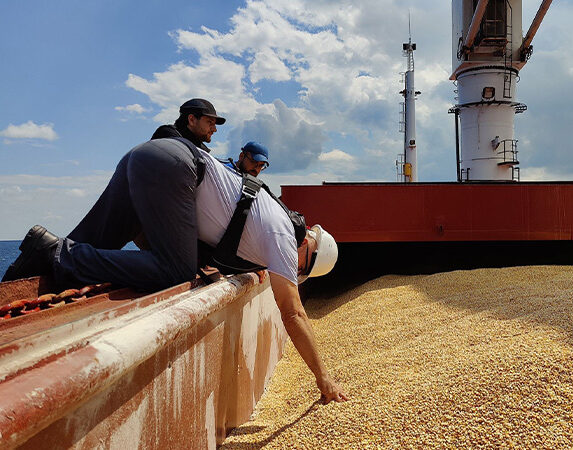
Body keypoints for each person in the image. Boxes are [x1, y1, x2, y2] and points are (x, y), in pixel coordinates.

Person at [2, 137, 347, 403]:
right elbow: (294, 313)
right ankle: (54, 250)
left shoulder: (271, 216)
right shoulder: (285, 237)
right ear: (307, 251)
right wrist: (323, 378)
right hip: (176, 168)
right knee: (175, 271)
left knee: (94, 242)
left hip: (151, 156)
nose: (292, 272)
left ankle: (37, 260)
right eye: (301, 270)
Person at [151, 98, 225, 152]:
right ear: (192, 120)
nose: (214, 129)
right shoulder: (167, 137)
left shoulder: (199, 148)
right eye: (210, 122)